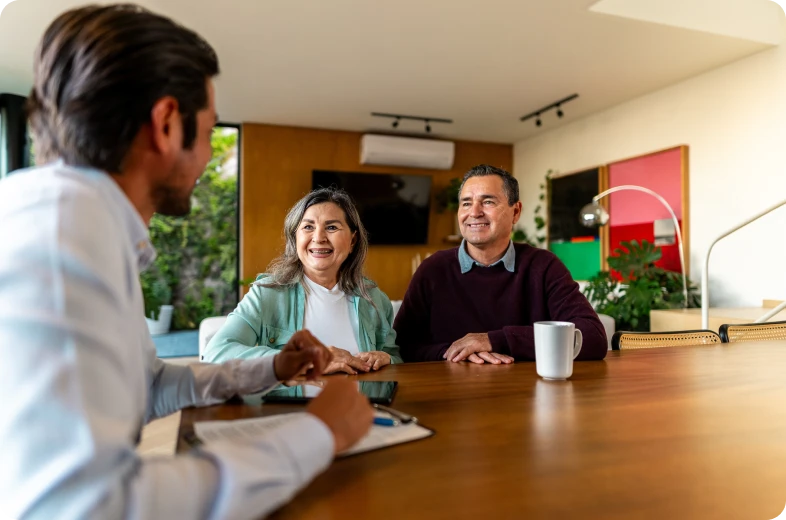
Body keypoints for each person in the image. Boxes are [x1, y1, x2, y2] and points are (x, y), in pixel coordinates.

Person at [0, 5, 373, 519]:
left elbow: (150, 386)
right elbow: (87, 507)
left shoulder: (88, 228)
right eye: (211, 130)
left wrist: (272, 367)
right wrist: (317, 435)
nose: (206, 157)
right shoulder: (63, 240)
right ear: (167, 123)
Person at [394, 164, 607, 364]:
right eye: (466, 203)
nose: (474, 212)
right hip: (450, 397)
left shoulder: (543, 266)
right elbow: (400, 347)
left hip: (528, 397)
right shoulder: (433, 269)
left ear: (515, 212)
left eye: (488, 202)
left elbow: (592, 337)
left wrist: (494, 340)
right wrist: (459, 353)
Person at [205, 188, 402, 373]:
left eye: (331, 227)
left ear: (352, 240)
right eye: (308, 227)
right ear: (295, 238)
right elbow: (217, 353)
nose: (319, 237)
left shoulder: (375, 299)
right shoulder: (267, 294)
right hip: (292, 410)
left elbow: (397, 360)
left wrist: (387, 359)